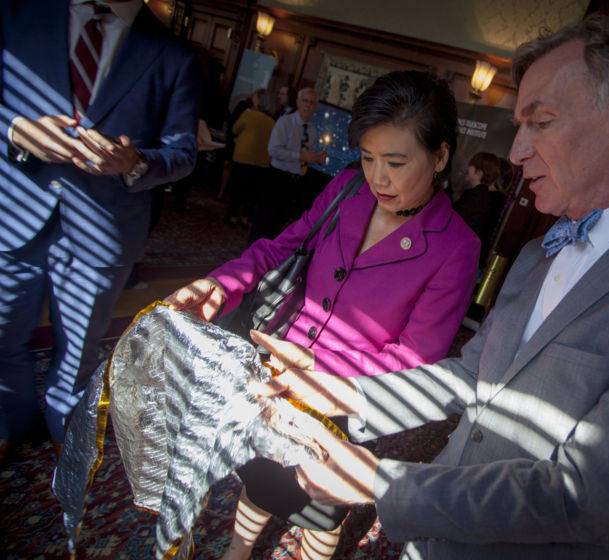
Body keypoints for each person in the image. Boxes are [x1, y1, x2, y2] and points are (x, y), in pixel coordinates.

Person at [250, 13, 609, 560]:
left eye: (542, 122)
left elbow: (588, 495)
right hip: (431, 540)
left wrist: (381, 483)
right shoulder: (537, 254)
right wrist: (344, 394)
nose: (515, 152)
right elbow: (469, 377)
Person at [164, 70, 481, 560]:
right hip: (274, 377)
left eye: (396, 162)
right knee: (260, 475)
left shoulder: (457, 246)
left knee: (318, 508)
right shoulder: (346, 190)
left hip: (347, 404)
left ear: (440, 156)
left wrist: (320, 372)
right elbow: (281, 248)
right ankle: (238, 550)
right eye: (369, 157)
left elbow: (417, 358)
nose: (378, 177)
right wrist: (219, 284)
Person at [0, 0, 199, 463]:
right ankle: (9, 417)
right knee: (3, 333)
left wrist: (138, 162)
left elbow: (183, 152)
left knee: (79, 352)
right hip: (14, 210)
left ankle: (62, 427)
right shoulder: (17, 12)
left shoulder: (173, 53)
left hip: (106, 228)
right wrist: (13, 130)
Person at [250, 87, 327, 243]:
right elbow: (273, 150)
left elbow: (305, 156)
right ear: (298, 102)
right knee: (264, 220)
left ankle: (268, 260)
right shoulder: (285, 122)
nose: (308, 105)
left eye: (312, 103)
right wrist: (299, 156)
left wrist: (316, 158)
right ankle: (251, 258)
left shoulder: (312, 130)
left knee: (279, 223)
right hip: (277, 177)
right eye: (305, 101)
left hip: (295, 181)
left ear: (316, 107)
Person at [226, 89, 276, 227]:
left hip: (243, 157)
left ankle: (233, 215)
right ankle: (246, 217)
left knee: (237, 188)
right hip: (261, 161)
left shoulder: (248, 115)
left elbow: (235, 129)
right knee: (251, 192)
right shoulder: (271, 122)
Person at [453, 151, 507, 267]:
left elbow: (455, 223)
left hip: (461, 255)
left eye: (471, 165)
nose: (468, 167)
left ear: (479, 172)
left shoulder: (476, 196)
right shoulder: (482, 195)